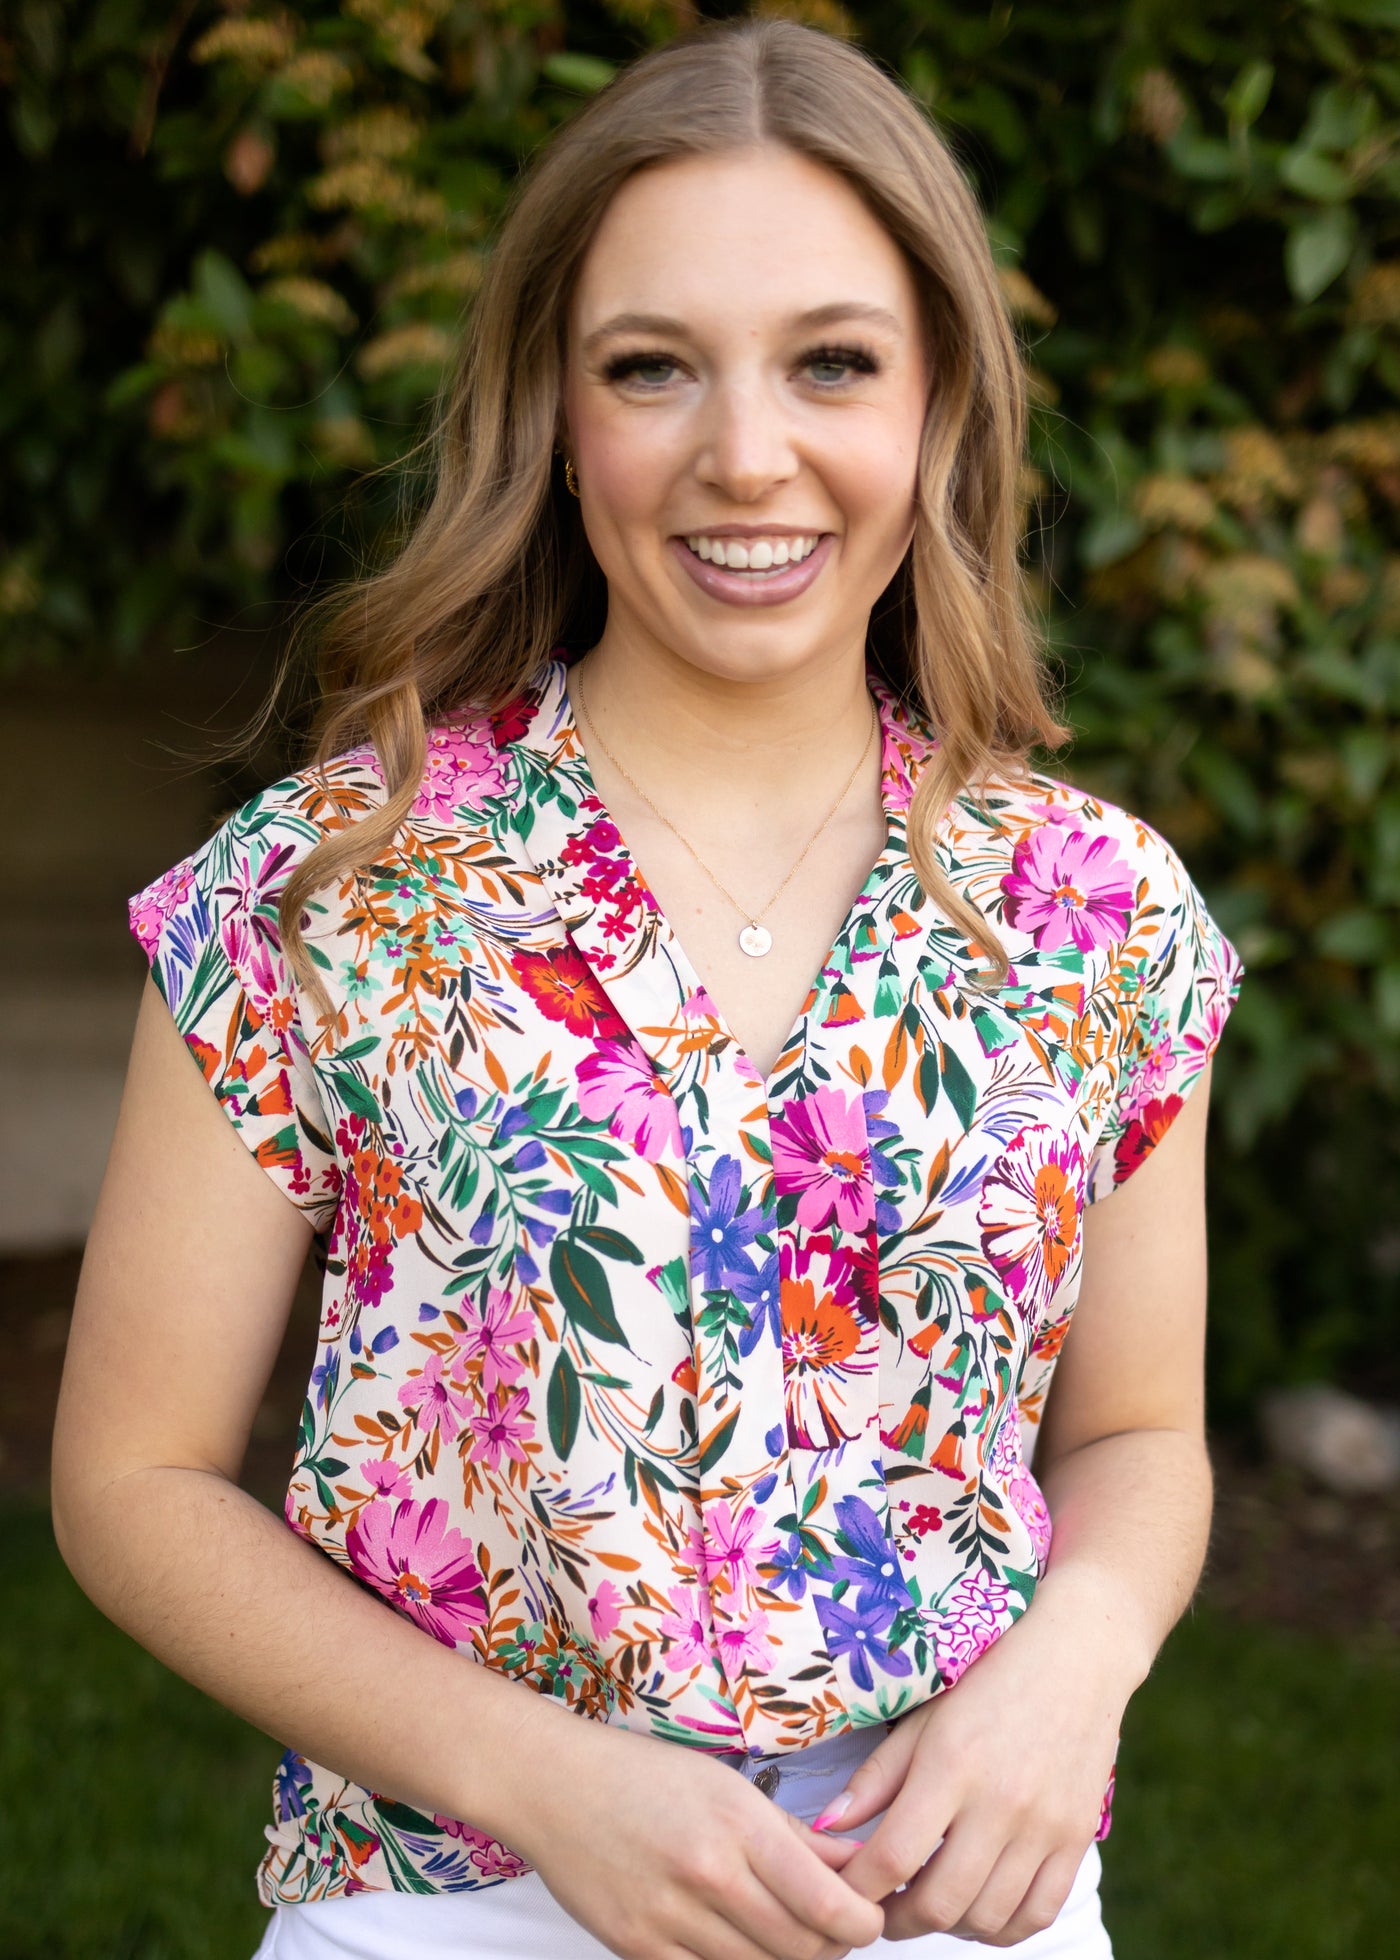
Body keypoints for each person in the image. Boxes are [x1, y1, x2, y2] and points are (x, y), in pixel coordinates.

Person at [52, 16, 1243, 1959]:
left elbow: (1140, 1432)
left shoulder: (1091, 906)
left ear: (937, 401)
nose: (745, 454)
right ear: (556, 408)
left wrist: (1079, 1658)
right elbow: (131, 1473)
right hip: (457, 1896)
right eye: (653, 368)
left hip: (957, 1898)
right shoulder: (328, 887)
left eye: (831, 362)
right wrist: (536, 1777)